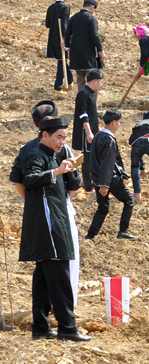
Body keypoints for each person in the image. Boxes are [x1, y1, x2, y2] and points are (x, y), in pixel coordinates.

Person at [18, 115, 90, 342]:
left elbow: (73, 185)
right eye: (59, 137)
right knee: (60, 276)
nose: (62, 142)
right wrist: (56, 172)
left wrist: (68, 170)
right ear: (45, 135)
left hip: (52, 220)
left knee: (42, 277)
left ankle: (40, 327)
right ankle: (67, 328)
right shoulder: (37, 155)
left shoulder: (55, 156)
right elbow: (28, 180)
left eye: (65, 138)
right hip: (48, 224)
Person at [10, 102, 83, 306]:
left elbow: (16, 179)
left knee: (43, 262)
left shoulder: (26, 148)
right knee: (65, 258)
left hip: (37, 210)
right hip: (59, 208)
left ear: (35, 125)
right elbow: (74, 183)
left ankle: (46, 308)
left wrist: (33, 201)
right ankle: (66, 307)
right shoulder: (62, 147)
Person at [85, 109, 136, 241]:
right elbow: (107, 163)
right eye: (118, 122)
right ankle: (123, 230)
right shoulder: (109, 139)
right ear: (113, 122)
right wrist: (105, 184)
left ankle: (90, 235)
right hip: (109, 179)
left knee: (103, 207)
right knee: (129, 200)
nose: (119, 125)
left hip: (97, 178)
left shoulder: (98, 136)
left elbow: (100, 159)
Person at [72, 70, 102, 197]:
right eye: (100, 82)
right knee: (87, 158)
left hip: (93, 130)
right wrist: (89, 133)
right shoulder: (83, 94)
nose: (101, 84)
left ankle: (92, 183)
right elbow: (83, 115)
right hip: (86, 132)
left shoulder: (91, 93)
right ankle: (88, 187)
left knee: (92, 156)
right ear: (94, 81)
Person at [65, 0, 103, 91]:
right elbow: (95, 36)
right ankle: (89, 101)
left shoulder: (74, 17)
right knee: (92, 79)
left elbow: (67, 34)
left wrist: (68, 49)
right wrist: (100, 50)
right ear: (92, 7)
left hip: (76, 54)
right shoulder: (91, 18)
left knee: (80, 80)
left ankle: (81, 100)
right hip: (88, 54)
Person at [45, 0, 72, 93]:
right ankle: (58, 87)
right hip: (62, 38)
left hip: (52, 38)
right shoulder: (65, 7)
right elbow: (65, 25)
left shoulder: (50, 8)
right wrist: (66, 39)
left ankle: (70, 81)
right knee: (62, 61)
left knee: (62, 60)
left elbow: (47, 25)